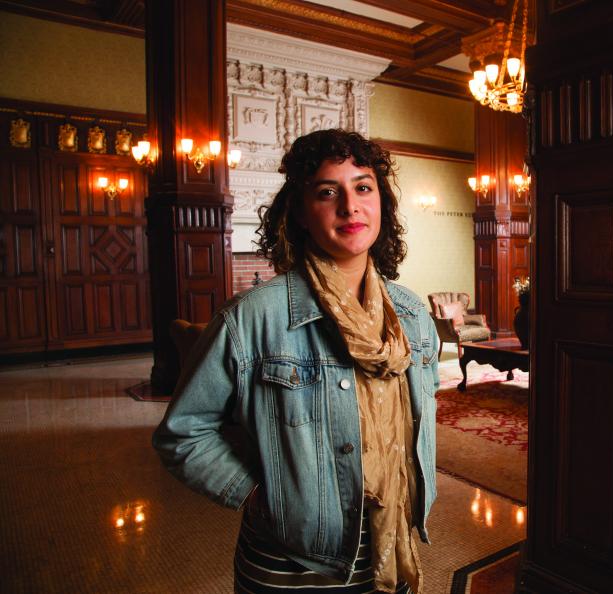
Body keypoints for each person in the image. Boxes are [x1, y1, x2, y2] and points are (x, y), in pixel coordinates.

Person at [152, 128, 440, 594]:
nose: (350, 206)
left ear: (380, 203)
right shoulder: (250, 318)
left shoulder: (411, 314)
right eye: (328, 192)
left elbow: (425, 408)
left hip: (391, 545)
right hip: (290, 560)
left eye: (363, 187)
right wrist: (260, 494)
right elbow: (182, 434)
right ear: (301, 214)